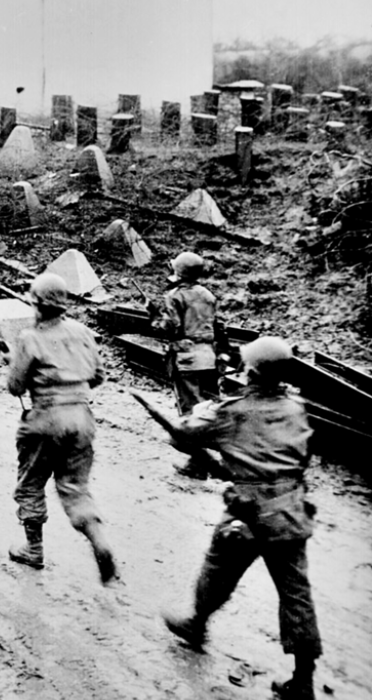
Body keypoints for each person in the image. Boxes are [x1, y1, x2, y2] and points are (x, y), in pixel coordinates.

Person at [161, 336, 321, 700]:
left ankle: (196, 625)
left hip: (248, 514)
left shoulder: (232, 411)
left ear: (252, 371)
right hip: (291, 512)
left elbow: (183, 436)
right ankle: (303, 680)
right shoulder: (296, 407)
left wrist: (206, 409)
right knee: (296, 595)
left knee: (217, 570)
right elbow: (303, 454)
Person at [6, 273, 119, 585]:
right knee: (75, 488)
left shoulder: (29, 337)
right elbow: (97, 376)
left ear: (37, 305)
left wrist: (14, 363)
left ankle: (34, 549)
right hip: (82, 418)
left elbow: (15, 386)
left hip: (45, 419)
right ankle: (100, 540)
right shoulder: (83, 332)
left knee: (30, 483)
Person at [149, 250, 226, 479]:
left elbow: (170, 328)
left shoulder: (174, 296)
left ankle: (199, 465)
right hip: (209, 357)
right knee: (209, 409)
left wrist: (154, 317)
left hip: (187, 359)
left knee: (191, 412)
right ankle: (209, 457)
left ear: (178, 271)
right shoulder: (208, 295)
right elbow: (216, 325)